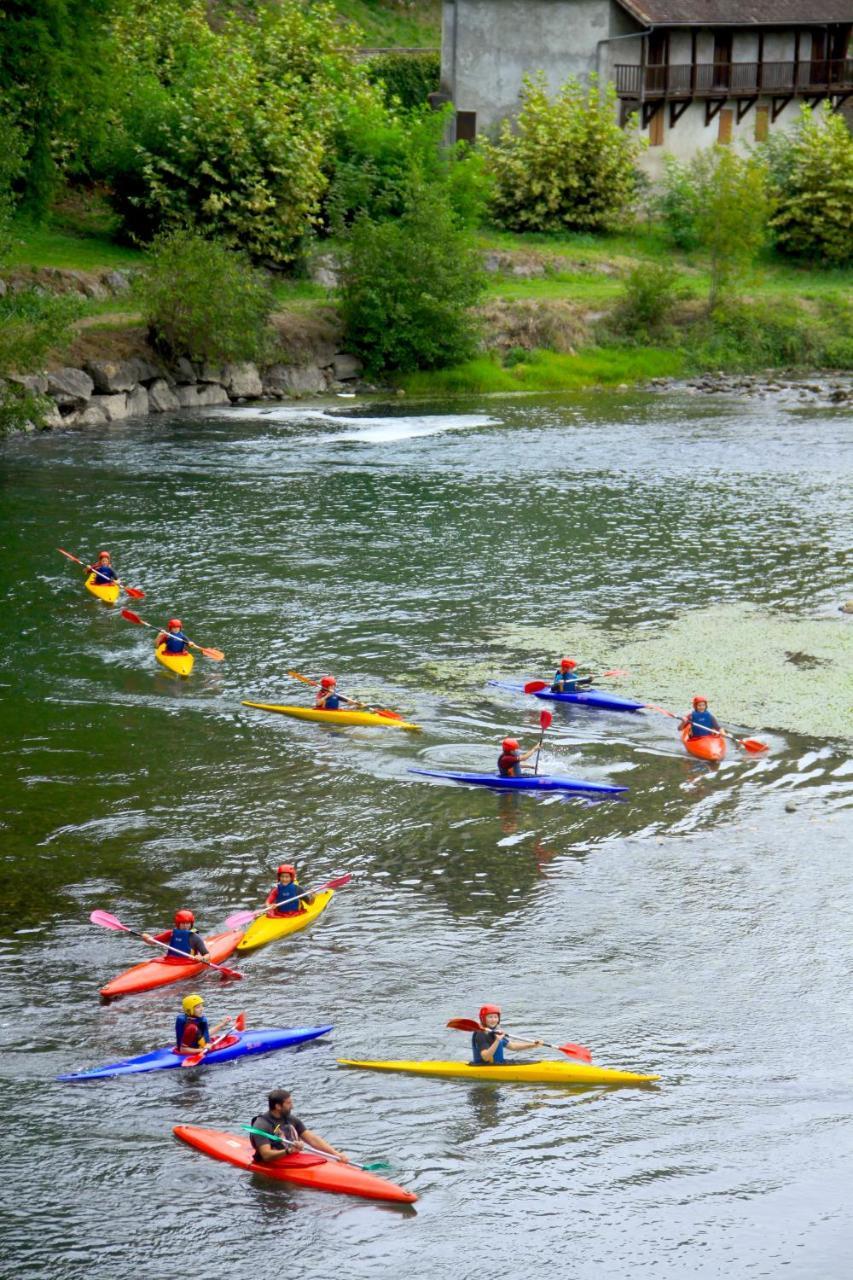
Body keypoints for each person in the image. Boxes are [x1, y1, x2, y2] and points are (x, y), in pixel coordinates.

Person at [250, 1088, 350, 1165]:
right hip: (271, 1164)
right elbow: (266, 1155)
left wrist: (335, 1154)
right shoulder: (261, 1124)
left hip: (292, 1158)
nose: (292, 1106)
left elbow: (312, 1139)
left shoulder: (290, 1119)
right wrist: (289, 1151)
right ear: (278, 1106)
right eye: (289, 1103)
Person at [471, 1005, 543, 1066]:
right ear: (483, 1018)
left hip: (499, 1064)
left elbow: (513, 1046)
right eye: (490, 1017)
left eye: (495, 1017)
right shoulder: (481, 1034)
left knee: (535, 1062)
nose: (493, 1020)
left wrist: (533, 1045)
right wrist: (497, 1040)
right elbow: (485, 1057)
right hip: (485, 1066)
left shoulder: (495, 1032)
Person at [143, 908, 211, 964]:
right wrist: (146, 938)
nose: (185, 926)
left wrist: (202, 958)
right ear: (178, 924)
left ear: (191, 924)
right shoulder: (171, 933)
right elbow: (152, 942)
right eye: (183, 923)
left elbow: (207, 955)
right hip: (170, 960)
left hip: (188, 962)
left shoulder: (195, 937)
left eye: (187, 923)